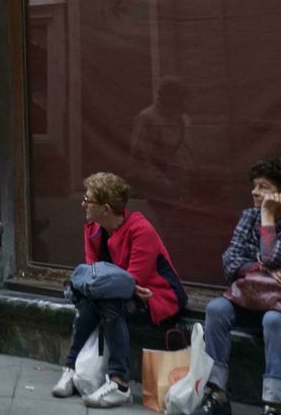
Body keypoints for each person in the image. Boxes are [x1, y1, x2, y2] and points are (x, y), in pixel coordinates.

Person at [192, 158, 281, 415]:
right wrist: (267, 269)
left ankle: (274, 405)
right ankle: (217, 395)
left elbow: (273, 256)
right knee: (217, 308)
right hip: (254, 299)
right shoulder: (248, 217)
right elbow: (230, 263)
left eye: (263, 186)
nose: (254, 192)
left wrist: (268, 216)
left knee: (274, 319)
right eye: (254, 185)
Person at [50, 172, 187, 408]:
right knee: (91, 301)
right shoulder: (93, 229)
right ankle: (71, 368)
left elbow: (135, 279)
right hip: (125, 295)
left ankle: (120, 383)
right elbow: (92, 274)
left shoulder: (140, 229)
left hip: (158, 297)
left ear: (105, 208)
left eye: (87, 200)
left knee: (107, 302)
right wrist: (97, 285)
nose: (82, 203)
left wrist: (104, 284)